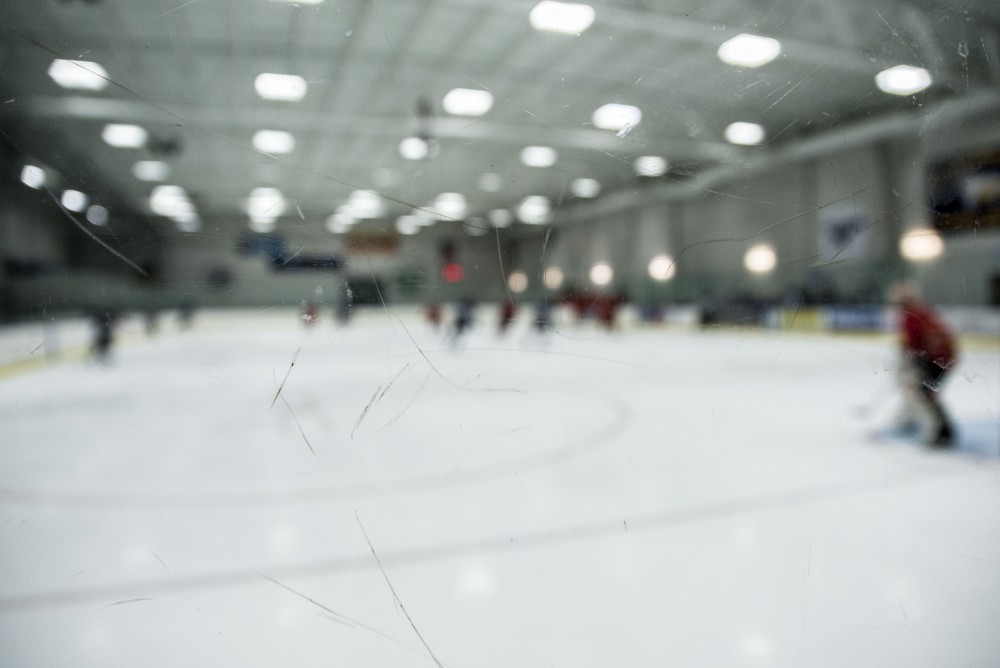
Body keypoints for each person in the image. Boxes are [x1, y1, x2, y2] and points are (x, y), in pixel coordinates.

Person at [891, 282, 958, 446]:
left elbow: (912, 345)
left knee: (921, 393)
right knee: (924, 393)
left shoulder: (911, 316)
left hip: (934, 359)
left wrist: (911, 360)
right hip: (943, 358)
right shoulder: (922, 312)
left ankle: (940, 433)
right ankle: (937, 429)